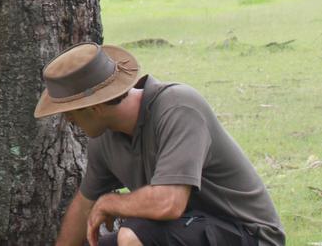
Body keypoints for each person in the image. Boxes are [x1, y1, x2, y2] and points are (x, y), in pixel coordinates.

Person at [34, 42, 285, 246]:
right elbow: (84, 205)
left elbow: (169, 202)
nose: (67, 120)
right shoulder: (104, 138)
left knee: (134, 235)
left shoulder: (179, 107)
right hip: (191, 230)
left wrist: (111, 202)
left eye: (70, 111)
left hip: (249, 235)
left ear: (96, 107)